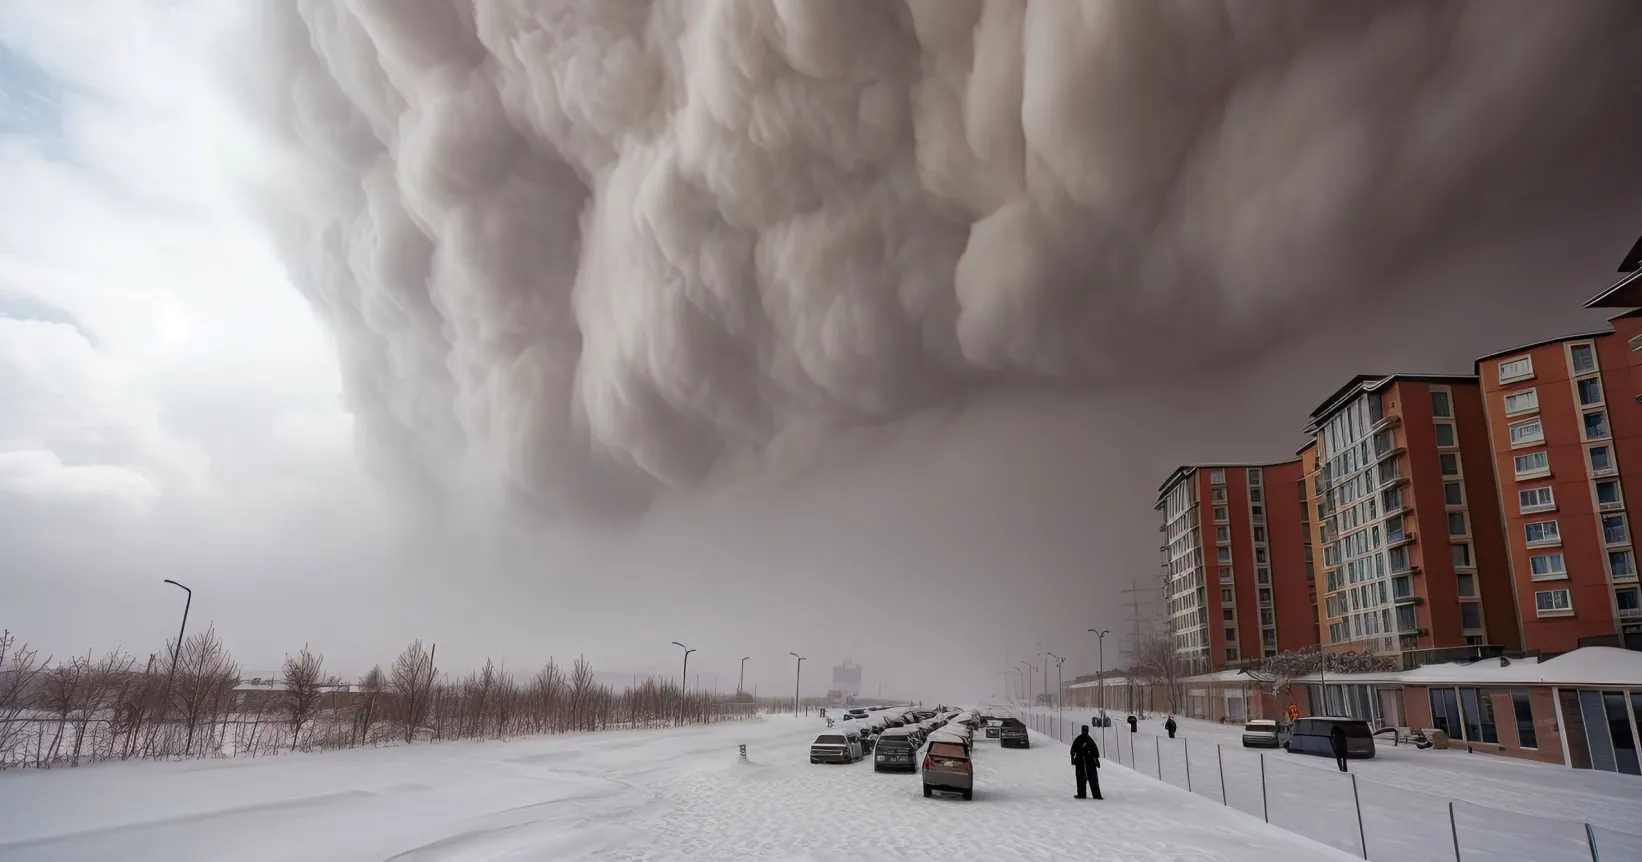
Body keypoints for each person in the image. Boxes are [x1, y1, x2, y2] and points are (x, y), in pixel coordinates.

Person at [1071, 724, 1103, 799]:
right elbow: (1073, 750)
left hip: (1088, 762)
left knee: (1091, 778)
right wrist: (1073, 758)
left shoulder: (1087, 740)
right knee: (1083, 778)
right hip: (1082, 762)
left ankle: (1095, 795)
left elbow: (1094, 752)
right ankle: (1085, 794)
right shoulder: (1082, 739)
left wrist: (1096, 759)